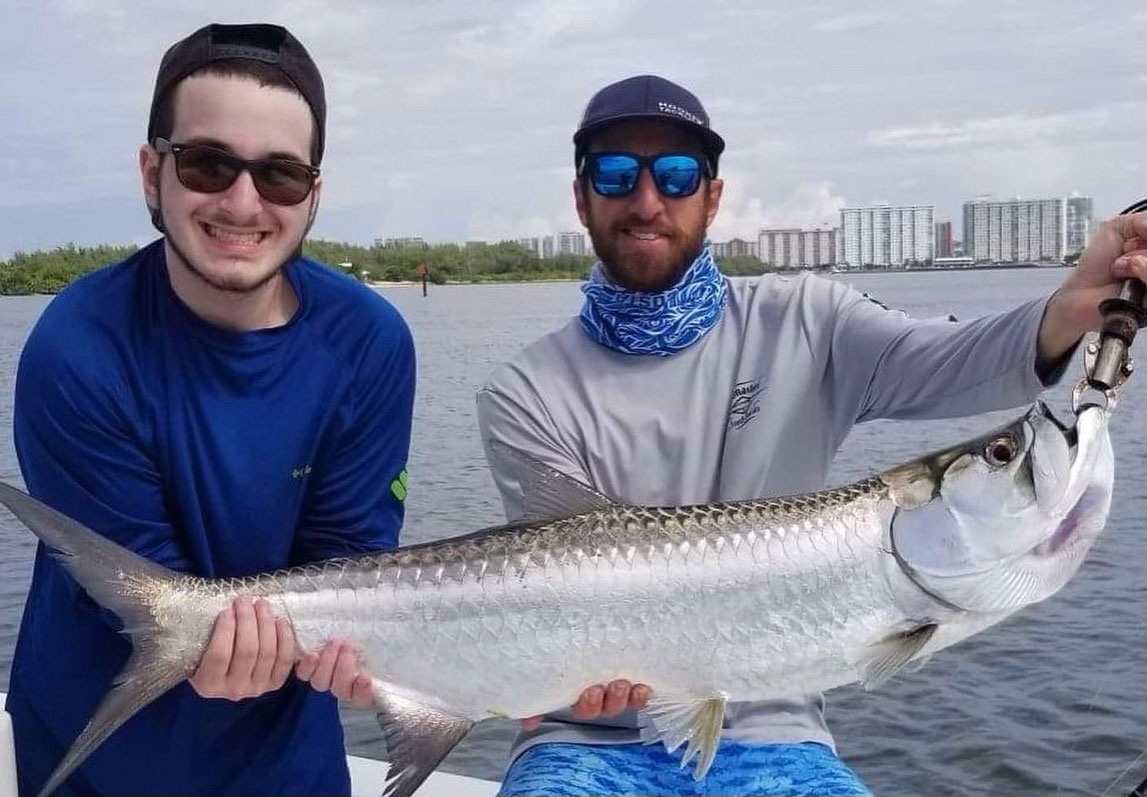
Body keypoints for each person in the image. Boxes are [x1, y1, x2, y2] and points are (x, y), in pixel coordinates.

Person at [476, 74, 1146, 796]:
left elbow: (952, 366)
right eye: (615, 173)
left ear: (713, 195)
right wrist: (566, 675)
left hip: (776, 734)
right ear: (581, 198)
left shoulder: (806, 321)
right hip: (583, 740)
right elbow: (553, 583)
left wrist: (1070, 307)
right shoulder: (521, 392)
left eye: (675, 174)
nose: (646, 200)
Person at [6, 23, 415, 796]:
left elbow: (349, 558)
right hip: (98, 757)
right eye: (208, 163)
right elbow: (153, 607)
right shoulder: (76, 348)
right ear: (151, 171)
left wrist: (367, 653)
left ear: (314, 196)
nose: (241, 201)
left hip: (289, 765)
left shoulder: (369, 342)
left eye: (281, 176)